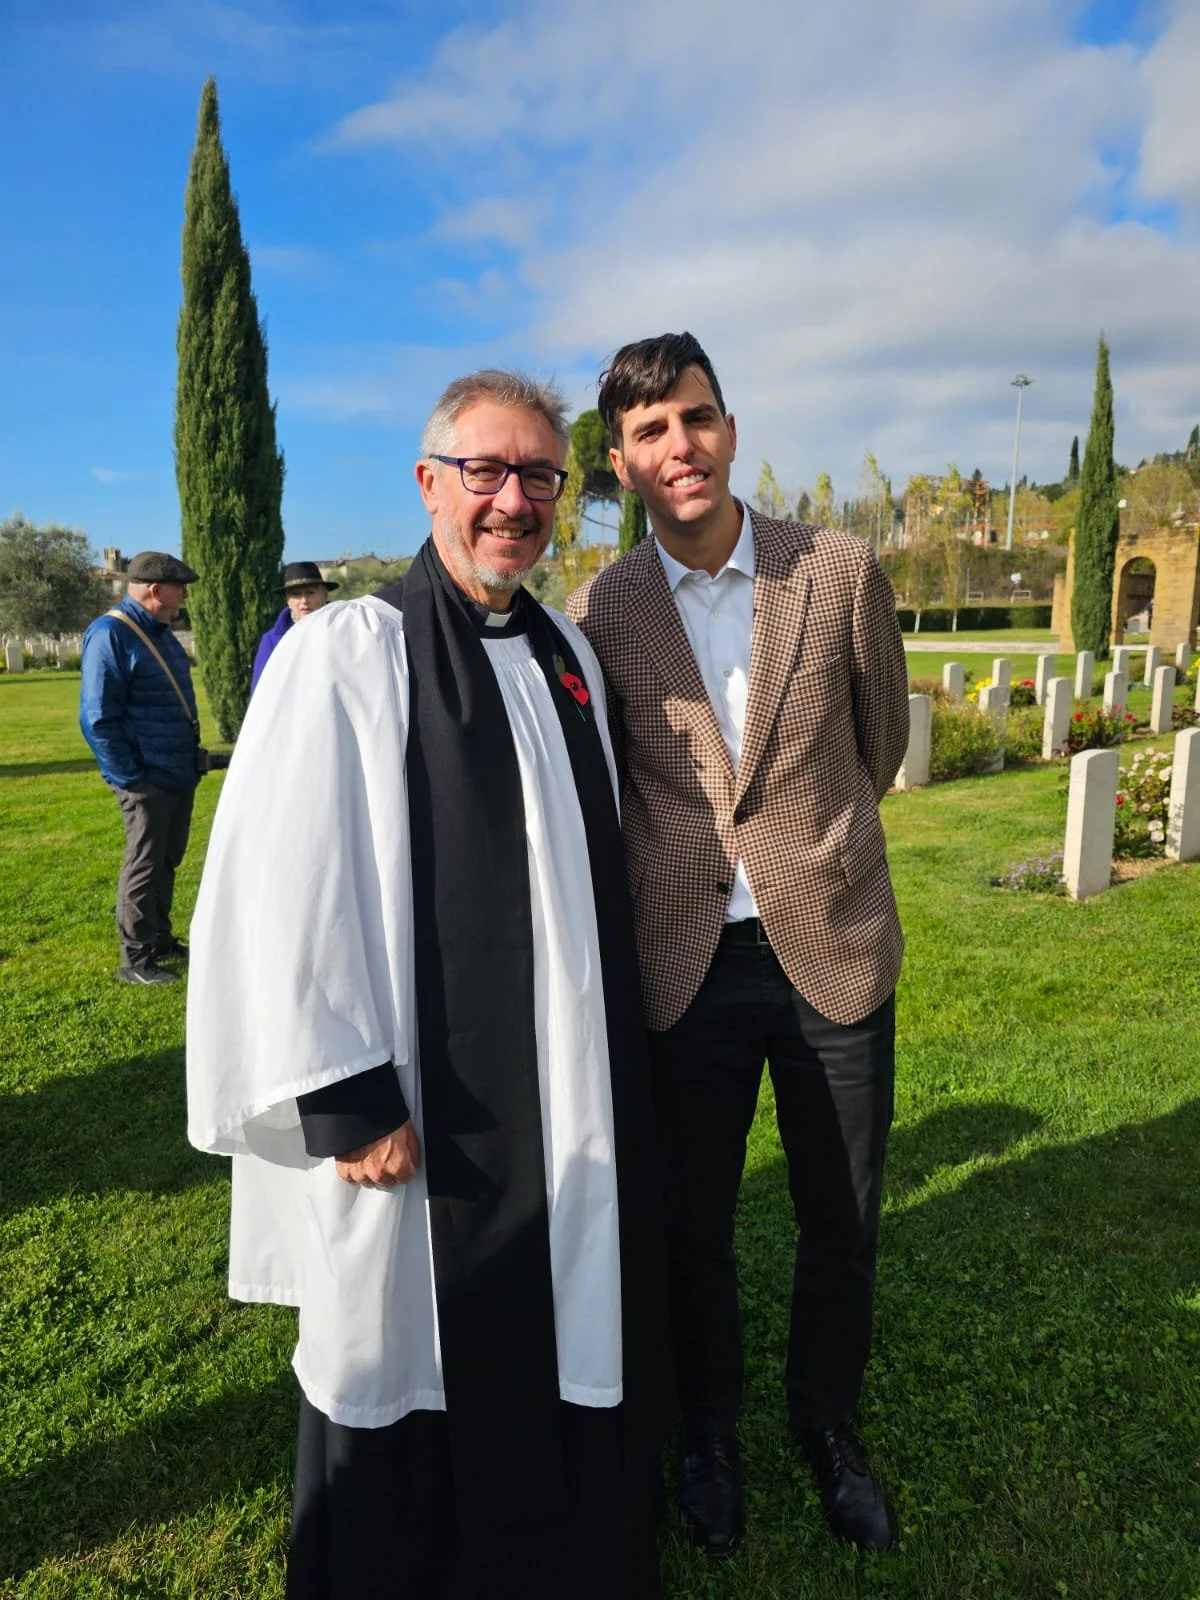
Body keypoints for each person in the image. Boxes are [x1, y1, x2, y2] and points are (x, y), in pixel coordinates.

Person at [186, 370, 674, 1600]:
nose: (513, 501)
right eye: (485, 473)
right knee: (404, 1333)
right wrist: (344, 1093)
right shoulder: (345, 655)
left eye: (539, 477)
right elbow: (282, 880)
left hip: (561, 1081)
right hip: (415, 1099)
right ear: (431, 483)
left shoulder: (564, 652)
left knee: (565, 1301)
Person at [567, 332, 909, 1556]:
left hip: (834, 946)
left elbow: (884, 743)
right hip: (684, 963)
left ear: (729, 425)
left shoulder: (837, 569)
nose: (682, 446)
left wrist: (805, 852)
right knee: (689, 1225)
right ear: (620, 462)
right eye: (651, 432)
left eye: (697, 418)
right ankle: (706, 1432)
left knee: (842, 1216)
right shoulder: (601, 610)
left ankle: (829, 1425)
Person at [79, 550, 203, 986]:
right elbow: (97, 716)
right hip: (146, 779)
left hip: (175, 773)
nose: (184, 594)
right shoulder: (111, 634)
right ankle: (134, 958)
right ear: (155, 590)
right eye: (179, 587)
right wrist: (130, 777)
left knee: (167, 860)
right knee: (144, 864)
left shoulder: (161, 633)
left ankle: (160, 939)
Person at [249, 561, 339, 694]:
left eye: (310, 592)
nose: (304, 601)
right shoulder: (272, 640)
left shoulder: (344, 631)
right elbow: (260, 694)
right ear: (287, 600)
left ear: (325, 595)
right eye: (296, 594)